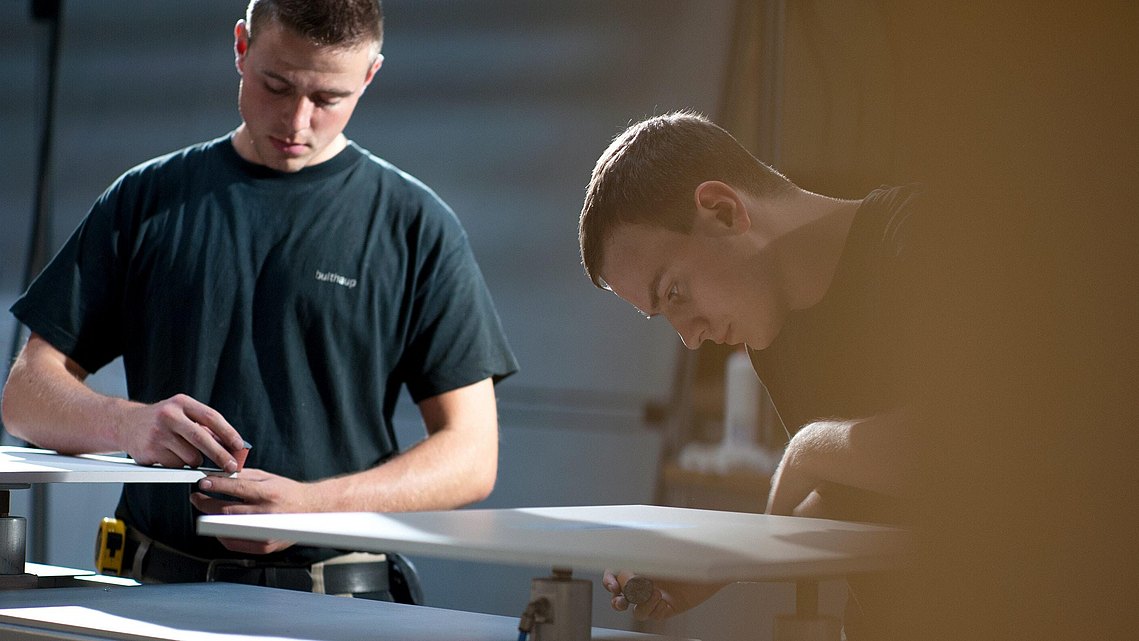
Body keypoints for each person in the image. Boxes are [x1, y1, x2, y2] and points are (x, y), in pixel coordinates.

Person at [1, 0, 517, 603]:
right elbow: (25, 395)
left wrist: (311, 506)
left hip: (343, 605)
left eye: (328, 99)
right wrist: (128, 425)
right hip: (147, 594)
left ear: (370, 76)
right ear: (242, 47)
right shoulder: (147, 200)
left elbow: (471, 454)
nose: (298, 121)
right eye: (278, 85)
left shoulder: (415, 226)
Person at [578, 111, 962, 636]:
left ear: (723, 211)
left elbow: (976, 448)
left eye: (674, 292)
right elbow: (856, 491)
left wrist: (809, 448)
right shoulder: (773, 330)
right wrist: (720, 563)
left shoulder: (927, 236)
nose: (690, 337)